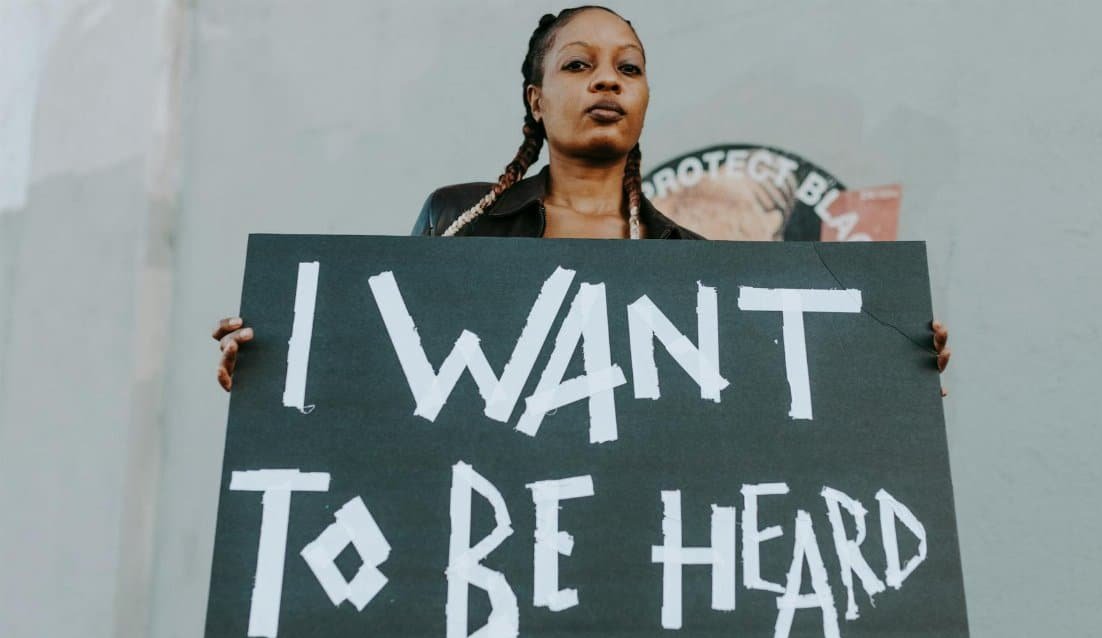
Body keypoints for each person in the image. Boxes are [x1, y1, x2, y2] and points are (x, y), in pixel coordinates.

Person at [213, 6, 950, 390]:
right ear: (537, 100)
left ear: (644, 99)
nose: (607, 80)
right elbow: (385, 368)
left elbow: (751, 415)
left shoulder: (689, 263)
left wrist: (887, 375)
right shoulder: (457, 221)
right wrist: (275, 365)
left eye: (627, 68)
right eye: (579, 65)